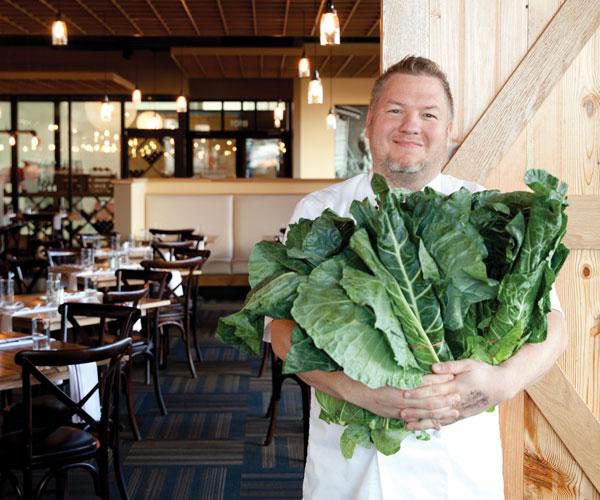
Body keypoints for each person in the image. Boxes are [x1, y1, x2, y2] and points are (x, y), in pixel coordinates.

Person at [270, 56, 567, 500]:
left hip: (458, 467)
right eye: (395, 110)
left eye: (429, 114)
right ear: (368, 123)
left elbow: (554, 326)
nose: (411, 125)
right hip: (352, 471)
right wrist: (367, 393)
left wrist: (502, 381)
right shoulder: (319, 212)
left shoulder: (489, 211)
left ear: (450, 131)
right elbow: (281, 331)